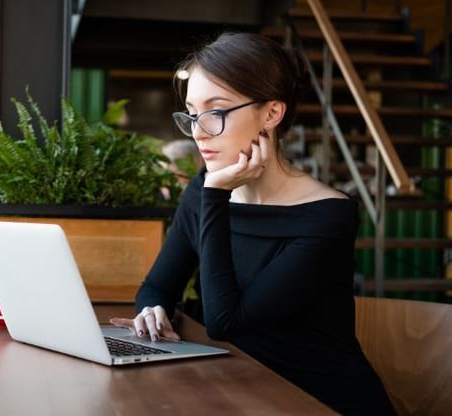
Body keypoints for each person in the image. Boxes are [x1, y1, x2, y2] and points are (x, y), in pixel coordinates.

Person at [110, 32, 395, 415]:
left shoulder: (327, 215)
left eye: (216, 112)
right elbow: (158, 285)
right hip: (239, 390)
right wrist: (152, 310)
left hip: (317, 400)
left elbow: (227, 321)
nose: (198, 130)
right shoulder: (202, 191)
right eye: (192, 113)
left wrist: (216, 195)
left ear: (272, 114)